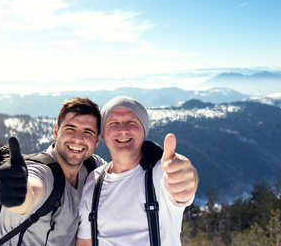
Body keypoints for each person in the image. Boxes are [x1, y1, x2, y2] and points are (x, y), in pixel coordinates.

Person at [76, 96, 199, 246]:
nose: (123, 129)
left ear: (144, 130)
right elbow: (85, 242)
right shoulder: (93, 181)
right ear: (103, 135)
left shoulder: (160, 173)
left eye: (131, 122)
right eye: (113, 123)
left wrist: (185, 178)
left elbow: (182, 182)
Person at [0, 97, 105, 246]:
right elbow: (31, 192)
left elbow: (123, 172)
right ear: (56, 131)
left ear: (97, 140)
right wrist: (16, 193)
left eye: (88, 132)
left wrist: (145, 158)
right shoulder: (42, 172)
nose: (78, 138)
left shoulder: (92, 166)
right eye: (70, 129)